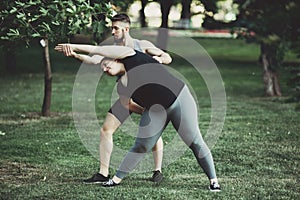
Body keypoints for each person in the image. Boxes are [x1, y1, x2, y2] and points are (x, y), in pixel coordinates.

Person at [54, 43, 221, 192]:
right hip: (156, 110)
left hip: (179, 99)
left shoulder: (130, 55)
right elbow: (128, 105)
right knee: (141, 145)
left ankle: (213, 181)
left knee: (194, 141)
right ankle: (116, 179)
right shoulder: (121, 87)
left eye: (106, 64)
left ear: (116, 59)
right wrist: (150, 115)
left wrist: (74, 46)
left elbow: (97, 49)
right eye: (102, 68)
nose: (105, 69)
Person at [59, 13, 172, 184]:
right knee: (106, 129)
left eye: (116, 28)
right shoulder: (113, 48)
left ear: (126, 29)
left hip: (145, 96)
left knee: (152, 129)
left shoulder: (142, 45)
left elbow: (167, 57)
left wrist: (158, 59)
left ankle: (157, 171)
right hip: (126, 96)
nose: (113, 31)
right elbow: (94, 59)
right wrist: (75, 54)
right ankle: (102, 173)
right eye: (112, 28)